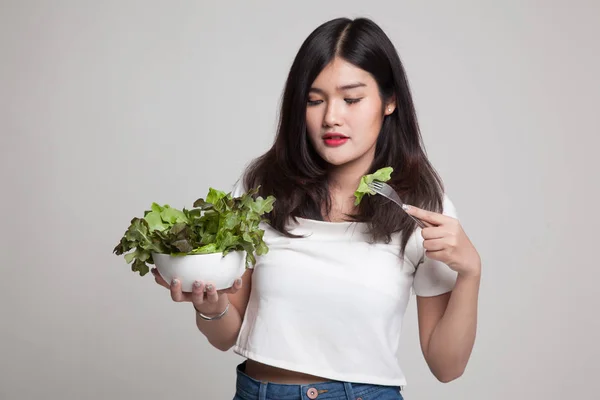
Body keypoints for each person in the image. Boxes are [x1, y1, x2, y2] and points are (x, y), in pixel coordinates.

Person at [151, 17, 481, 400]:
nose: (331, 117)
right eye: (314, 100)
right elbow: (227, 337)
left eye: (352, 99)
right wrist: (211, 306)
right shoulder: (261, 189)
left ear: (390, 101)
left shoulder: (420, 207)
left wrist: (471, 272)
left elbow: (447, 367)